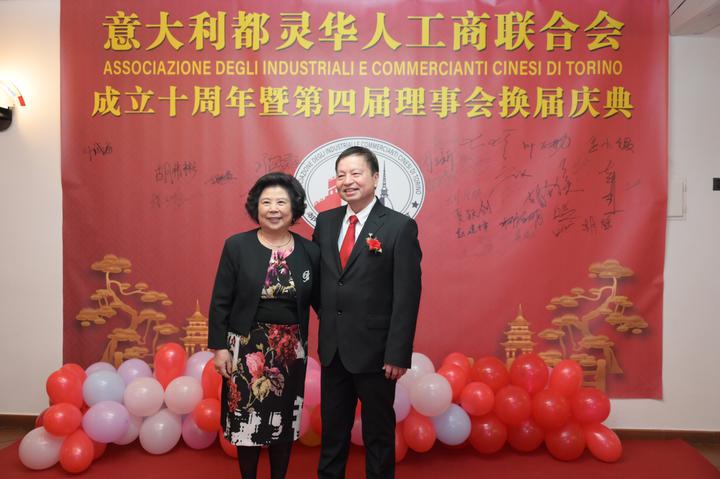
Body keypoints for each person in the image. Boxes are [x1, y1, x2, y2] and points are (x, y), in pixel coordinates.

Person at [313, 146, 422, 479]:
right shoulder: (326, 222)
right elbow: (318, 280)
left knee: (378, 435)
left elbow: (407, 295)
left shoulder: (399, 227)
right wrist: (329, 317)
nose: (348, 181)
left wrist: (397, 353)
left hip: (376, 354)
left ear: (375, 178)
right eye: (341, 175)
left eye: (356, 173)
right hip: (333, 349)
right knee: (332, 435)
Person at [208, 172, 319, 479]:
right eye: (266, 202)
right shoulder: (237, 246)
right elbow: (220, 300)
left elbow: (323, 301)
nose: (273, 209)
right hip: (246, 347)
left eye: (281, 202)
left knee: (283, 422)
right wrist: (219, 348)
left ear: (294, 209)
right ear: (255, 207)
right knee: (247, 422)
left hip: (290, 350)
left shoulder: (310, 251)